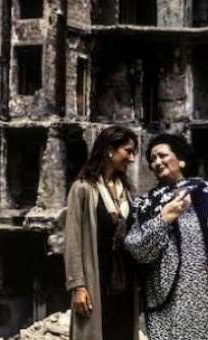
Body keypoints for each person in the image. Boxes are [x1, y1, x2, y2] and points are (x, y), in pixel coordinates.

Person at [125, 133, 208, 340]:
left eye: (162, 156)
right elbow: (137, 249)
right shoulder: (145, 204)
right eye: (152, 159)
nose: (157, 162)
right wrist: (164, 218)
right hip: (167, 303)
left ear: (181, 159)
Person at [64, 125, 140, 340]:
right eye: (128, 150)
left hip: (125, 285)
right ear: (109, 150)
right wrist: (77, 285)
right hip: (97, 282)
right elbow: (72, 241)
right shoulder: (82, 189)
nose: (132, 158)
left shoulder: (128, 193)